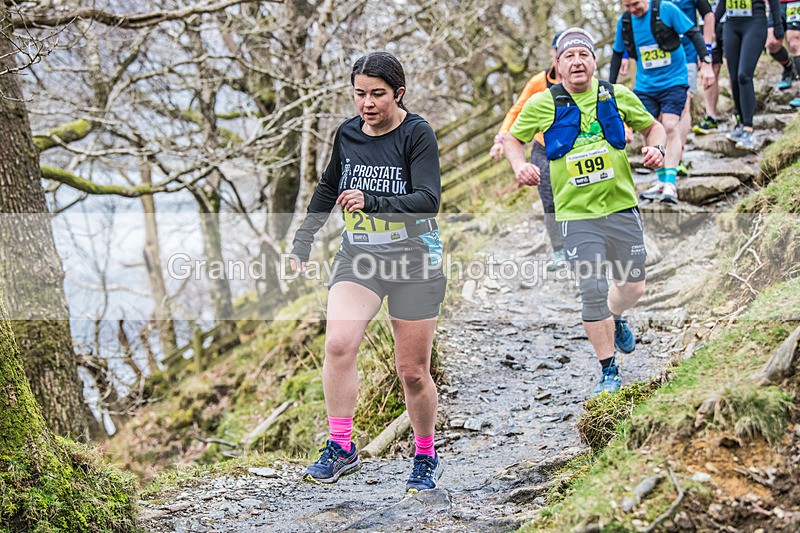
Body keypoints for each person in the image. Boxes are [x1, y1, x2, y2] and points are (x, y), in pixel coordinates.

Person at [290, 51, 446, 493]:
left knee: (412, 371)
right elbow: (327, 186)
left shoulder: (417, 134)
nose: (367, 103)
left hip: (414, 259)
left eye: (377, 94)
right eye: (359, 94)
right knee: (339, 344)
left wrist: (372, 201)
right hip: (360, 256)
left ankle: (425, 454)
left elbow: (428, 199)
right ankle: (342, 447)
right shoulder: (347, 135)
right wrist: (303, 239)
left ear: (398, 93)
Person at [503, 29, 667, 394]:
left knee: (633, 287)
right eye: (569, 56)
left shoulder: (617, 94)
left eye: (584, 55)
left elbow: (653, 127)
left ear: (594, 61)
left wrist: (658, 150)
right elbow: (513, 139)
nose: (577, 61)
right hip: (576, 216)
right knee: (592, 290)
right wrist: (518, 166)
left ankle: (618, 315)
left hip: (622, 207)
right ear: (557, 65)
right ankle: (609, 370)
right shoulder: (542, 103)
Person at [609, 0, 714, 204]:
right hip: (645, 85)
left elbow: (693, 33)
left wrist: (706, 61)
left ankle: (671, 183)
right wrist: (609, 89)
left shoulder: (666, 9)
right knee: (649, 128)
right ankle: (660, 181)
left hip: (674, 80)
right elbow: (615, 54)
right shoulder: (625, 21)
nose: (633, 10)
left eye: (636, 4)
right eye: (627, 6)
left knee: (669, 125)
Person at [490, 33, 564, 270]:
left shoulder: (584, 80)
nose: (567, 59)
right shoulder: (539, 82)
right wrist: (501, 138)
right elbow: (516, 110)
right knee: (548, 197)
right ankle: (560, 251)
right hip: (543, 147)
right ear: (554, 55)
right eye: (560, 52)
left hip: (576, 149)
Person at [716, 0, 784, 150]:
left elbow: (773, 2)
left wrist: (777, 25)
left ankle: (748, 128)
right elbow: (722, 2)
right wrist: (714, 26)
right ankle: (740, 123)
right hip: (731, 24)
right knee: (733, 77)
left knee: (744, 75)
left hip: (754, 22)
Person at [671, 0, 716, 173]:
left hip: (688, 55)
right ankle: (667, 154)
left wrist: (705, 50)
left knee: (683, 105)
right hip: (663, 61)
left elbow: (709, 15)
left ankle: (678, 156)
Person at [694, 0, 727, 133]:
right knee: (711, 68)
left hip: (728, 19)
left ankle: (740, 114)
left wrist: (715, 19)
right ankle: (711, 115)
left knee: (733, 67)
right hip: (705, 24)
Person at [765, 0, 800, 106]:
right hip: (776, 4)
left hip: (795, 3)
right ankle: (789, 68)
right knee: (772, 43)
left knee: (794, 43)